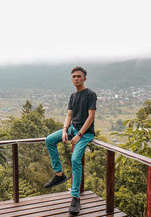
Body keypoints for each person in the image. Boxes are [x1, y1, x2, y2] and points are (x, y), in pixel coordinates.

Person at [44, 66, 97, 214]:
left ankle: (75, 198)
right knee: (49, 140)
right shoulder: (73, 96)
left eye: (79, 76)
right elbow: (69, 115)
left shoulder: (90, 94)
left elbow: (91, 117)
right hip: (72, 128)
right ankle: (59, 175)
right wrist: (64, 130)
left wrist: (79, 134)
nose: (76, 79)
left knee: (75, 160)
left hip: (85, 133)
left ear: (84, 78)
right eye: (74, 76)